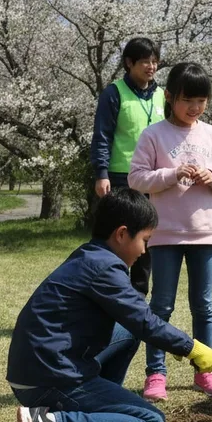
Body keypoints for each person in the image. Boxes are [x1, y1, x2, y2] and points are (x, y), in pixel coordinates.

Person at [6, 189, 212, 422]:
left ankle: (98, 407)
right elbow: (145, 320)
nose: (144, 251)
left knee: (127, 332)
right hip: (50, 378)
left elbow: (135, 324)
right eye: (144, 240)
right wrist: (191, 347)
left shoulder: (90, 255)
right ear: (122, 234)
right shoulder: (105, 268)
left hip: (38, 367)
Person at [128, 62, 212, 401]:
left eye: (202, 101)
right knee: (161, 306)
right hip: (165, 234)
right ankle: (156, 374)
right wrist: (171, 174)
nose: (195, 108)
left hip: (205, 233)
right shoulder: (154, 135)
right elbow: (136, 179)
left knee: (202, 306)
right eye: (188, 99)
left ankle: (205, 372)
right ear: (170, 97)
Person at [89, 37, 165, 299]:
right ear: (129, 63)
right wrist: (101, 173)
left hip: (152, 179)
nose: (151, 67)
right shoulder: (114, 92)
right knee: (118, 239)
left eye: (155, 61)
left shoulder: (161, 95)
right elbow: (102, 136)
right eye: (145, 61)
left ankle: (137, 299)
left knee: (145, 241)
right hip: (120, 178)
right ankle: (111, 295)